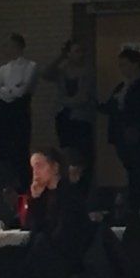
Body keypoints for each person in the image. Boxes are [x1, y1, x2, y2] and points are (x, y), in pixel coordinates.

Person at [0, 147, 93, 278]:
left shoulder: (69, 195)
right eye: (33, 168)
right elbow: (31, 227)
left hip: (63, 256)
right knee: (5, 254)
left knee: (20, 266)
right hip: (42, 251)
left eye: (40, 166)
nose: (36, 172)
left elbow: (64, 234)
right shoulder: (44, 195)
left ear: (55, 167)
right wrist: (35, 199)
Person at [100, 47, 140, 202]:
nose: (121, 69)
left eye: (124, 64)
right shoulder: (122, 86)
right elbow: (110, 106)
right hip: (121, 133)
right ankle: (135, 198)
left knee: (138, 168)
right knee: (130, 168)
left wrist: (136, 127)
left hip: (138, 133)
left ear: (135, 64)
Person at [0, 35, 39, 191]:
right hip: (5, 112)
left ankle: (24, 187)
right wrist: (12, 90)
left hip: (21, 110)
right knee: (7, 150)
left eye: (10, 45)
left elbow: (22, 91)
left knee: (21, 149)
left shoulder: (31, 66)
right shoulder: (2, 69)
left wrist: (7, 90)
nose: (7, 49)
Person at [41, 38, 97, 175]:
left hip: (81, 118)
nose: (80, 54)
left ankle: (84, 182)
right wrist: (60, 57)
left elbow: (83, 97)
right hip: (64, 117)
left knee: (84, 153)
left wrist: (63, 101)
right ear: (69, 54)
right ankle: (69, 180)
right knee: (67, 151)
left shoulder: (88, 72)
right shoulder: (63, 71)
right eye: (77, 51)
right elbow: (45, 74)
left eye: (82, 51)